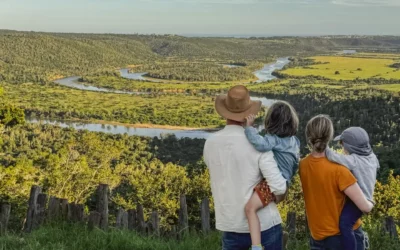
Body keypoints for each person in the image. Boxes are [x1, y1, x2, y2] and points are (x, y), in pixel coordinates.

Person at [203, 85, 287, 250]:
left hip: (230, 225)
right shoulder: (258, 144)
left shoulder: (210, 143)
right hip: (265, 226)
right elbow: (279, 187)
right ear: (248, 113)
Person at [299, 115, 373, 250]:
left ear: (309, 136)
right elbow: (365, 207)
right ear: (329, 137)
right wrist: (371, 202)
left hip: (317, 237)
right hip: (344, 238)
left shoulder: (303, 165)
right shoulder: (340, 170)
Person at [244, 101, 300, 250]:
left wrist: (249, 128)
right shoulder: (295, 141)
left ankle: (256, 247)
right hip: (285, 181)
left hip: (271, 184)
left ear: (270, 122)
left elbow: (260, 144)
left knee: (250, 208)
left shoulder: (274, 140)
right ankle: (280, 237)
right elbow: (295, 165)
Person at [326, 127, 379, 250]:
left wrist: (324, 144)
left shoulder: (353, 161)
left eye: (343, 145)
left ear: (351, 147)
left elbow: (331, 156)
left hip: (359, 201)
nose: (342, 148)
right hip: (366, 197)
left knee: (345, 224)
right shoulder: (372, 157)